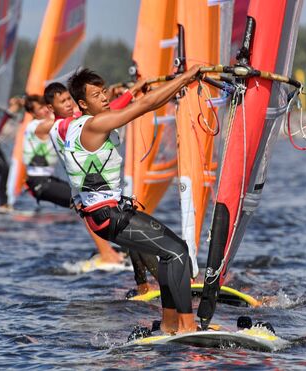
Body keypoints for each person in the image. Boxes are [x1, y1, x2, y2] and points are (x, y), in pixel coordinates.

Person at [60, 66, 202, 333]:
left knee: (167, 253)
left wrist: (138, 91)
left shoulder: (75, 126)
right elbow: (146, 106)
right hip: (111, 215)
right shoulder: (96, 124)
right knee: (178, 252)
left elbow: (129, 105)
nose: (104, 97)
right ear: (82, 104)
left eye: (103, 92)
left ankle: (170, 323)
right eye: (96, 95)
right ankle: (187, 326)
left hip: (101, 217)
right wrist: (185, 78)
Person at [37, 82, 159, 295]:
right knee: (138, 235)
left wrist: (112, 94)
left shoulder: (72, 122)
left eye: (69, 99)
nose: (68, 104)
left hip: (95, 193)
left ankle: (143, 286)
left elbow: (99, 114)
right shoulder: (62, 127)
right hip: (94, 197)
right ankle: (164, 285)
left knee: (131, 237)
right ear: (51, 108)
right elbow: (105, 117)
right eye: (62, 101)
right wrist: (132, 93)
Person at [0, 96, 24, 209]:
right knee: (4, 171)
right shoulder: (3, 113)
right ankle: (3, 203)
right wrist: (15, 105)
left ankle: (5, 202)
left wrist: (18, 104)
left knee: (6, 171)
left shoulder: (5, 113)